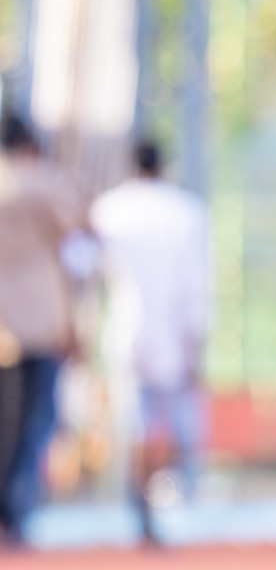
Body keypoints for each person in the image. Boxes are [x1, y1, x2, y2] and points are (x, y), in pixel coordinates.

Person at [91, 140, 209, 545]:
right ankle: (163, 497)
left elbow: (87, 266)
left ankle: (141, 500)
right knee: (173, 423)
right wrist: (197, 339)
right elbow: (196, 283)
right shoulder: (186, 212)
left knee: (138, 421)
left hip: (128, 327)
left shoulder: (110, 210)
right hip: (174, 331)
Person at [0, 115, 81, 546]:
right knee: (33, 419)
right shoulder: (42, 183)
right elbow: (79, 232)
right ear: (29, 145)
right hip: (38, 320)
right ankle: (14, 509)